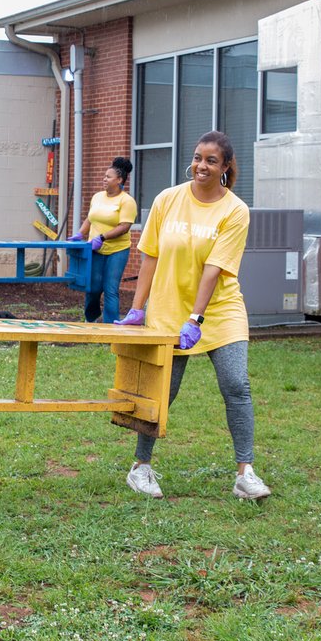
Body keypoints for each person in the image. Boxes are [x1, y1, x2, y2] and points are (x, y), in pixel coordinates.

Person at [115, 131, 271, 502]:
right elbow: (149, 256)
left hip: (219, 310)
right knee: (163, 391)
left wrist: (196, 319)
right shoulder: (167, 199)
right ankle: (140, 468)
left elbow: (214, 269)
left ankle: (245, 474)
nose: (202, 165)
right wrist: (138, 308)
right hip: (169, 308)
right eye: (198, 157)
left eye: (212, 160)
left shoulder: (235, 210)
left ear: (225, 167)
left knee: (237, 385)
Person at [71, 156, 136, 323]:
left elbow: (124, 226)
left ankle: (111, 327)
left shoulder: (127, 201)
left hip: (117, 250)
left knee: (110, 289)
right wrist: (80, 234)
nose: (104, 179)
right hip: (94, 249)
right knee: (92, 287)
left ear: (119, 180)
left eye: (108, 177)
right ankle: (90, 319)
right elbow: (90, 218)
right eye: (104, 176)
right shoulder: (97, 197)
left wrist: (102, 237)